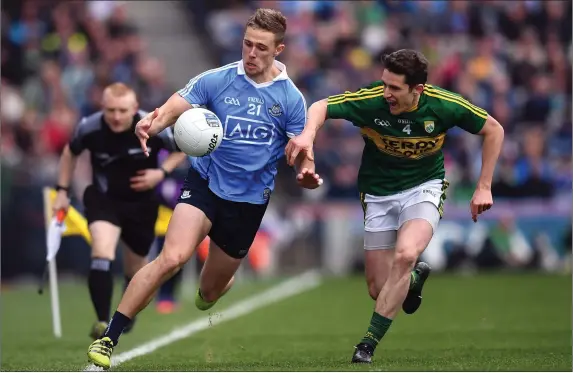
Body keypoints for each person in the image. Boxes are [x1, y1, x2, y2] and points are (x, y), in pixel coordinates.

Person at [86, 8, 322, 369]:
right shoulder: (217, 79)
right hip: (205, 184)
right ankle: (109, 337)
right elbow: (173, 108)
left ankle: (215, 287)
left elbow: (301, 152)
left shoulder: (290, 99)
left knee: (209, 292)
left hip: (247, 203)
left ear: (279, 50)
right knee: (172, 257)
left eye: (261, 47)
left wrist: (306, 172)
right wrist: (152, 122)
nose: (251, 53)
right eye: (247, 44)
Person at [286, 49, 504, 364]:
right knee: (379, 289)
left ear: (418, 90)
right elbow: (321, 106)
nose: (386, 92)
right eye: (385, 84)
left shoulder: (445, 105)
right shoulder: (371, 101)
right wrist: (308, 135)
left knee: (405, 255)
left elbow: (493, 130)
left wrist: (483, 186)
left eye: (394, 88)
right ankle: (413, 280)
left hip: (424, 188)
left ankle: (367, 344)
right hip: (378, 193)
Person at [53, 82, 187, 340]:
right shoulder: (89, 127)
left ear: (135, 109)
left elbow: (181, 149)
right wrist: (61, 190)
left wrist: (160, 173)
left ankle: (127, 312)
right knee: (102, 251)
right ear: (102, 107)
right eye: (110, 110)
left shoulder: (152, 126)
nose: (116, 116)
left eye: (122, 110)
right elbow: (70, 153)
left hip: (142, 204)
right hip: (105, 200)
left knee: (137, 268)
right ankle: (103, 321)